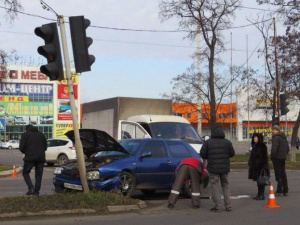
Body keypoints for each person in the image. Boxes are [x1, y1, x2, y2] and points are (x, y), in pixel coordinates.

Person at [200, 127, 235, 212]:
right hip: (224, 168)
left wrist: (209, 157)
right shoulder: (227, 142)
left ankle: (217, 206)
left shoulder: (208, 142)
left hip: (213, 168)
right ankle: (228, 205)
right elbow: (232, 154)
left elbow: (202, 154)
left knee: (215, 186)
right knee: (226, 185)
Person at [19, 125, 47, 196]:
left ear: (27, 129)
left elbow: (21, 147)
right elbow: (45, 147)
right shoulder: (41, 135)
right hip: (41, 158)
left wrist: (27, 152)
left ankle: (31, 188)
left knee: (25, 173)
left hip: (30, 158)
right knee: (39, 176)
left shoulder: (25, 135)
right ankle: (36, 192)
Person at [248, 133, 270, 200]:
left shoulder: (262, 146)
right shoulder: (254, 146)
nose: (255, 138)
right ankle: (259, 194)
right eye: (254, 137)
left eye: (256, 137)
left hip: (260, 166)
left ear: (259, 138)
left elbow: (264, 158)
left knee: (261, 181)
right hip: (255, 166)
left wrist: (262, 166)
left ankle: (261, 195)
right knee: (258, 181)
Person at [271, 125, 289, 197]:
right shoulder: (284, 138)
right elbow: (288, 149)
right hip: (283, 158)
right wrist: (284, 155)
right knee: (283, 173)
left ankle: (279, 190)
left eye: (273, 130)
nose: (272, 131)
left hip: (277, 158)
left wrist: (272, 157)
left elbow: (274, 149)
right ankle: (285, 190)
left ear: (276, 130)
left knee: (278, 174)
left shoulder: (276, 138)